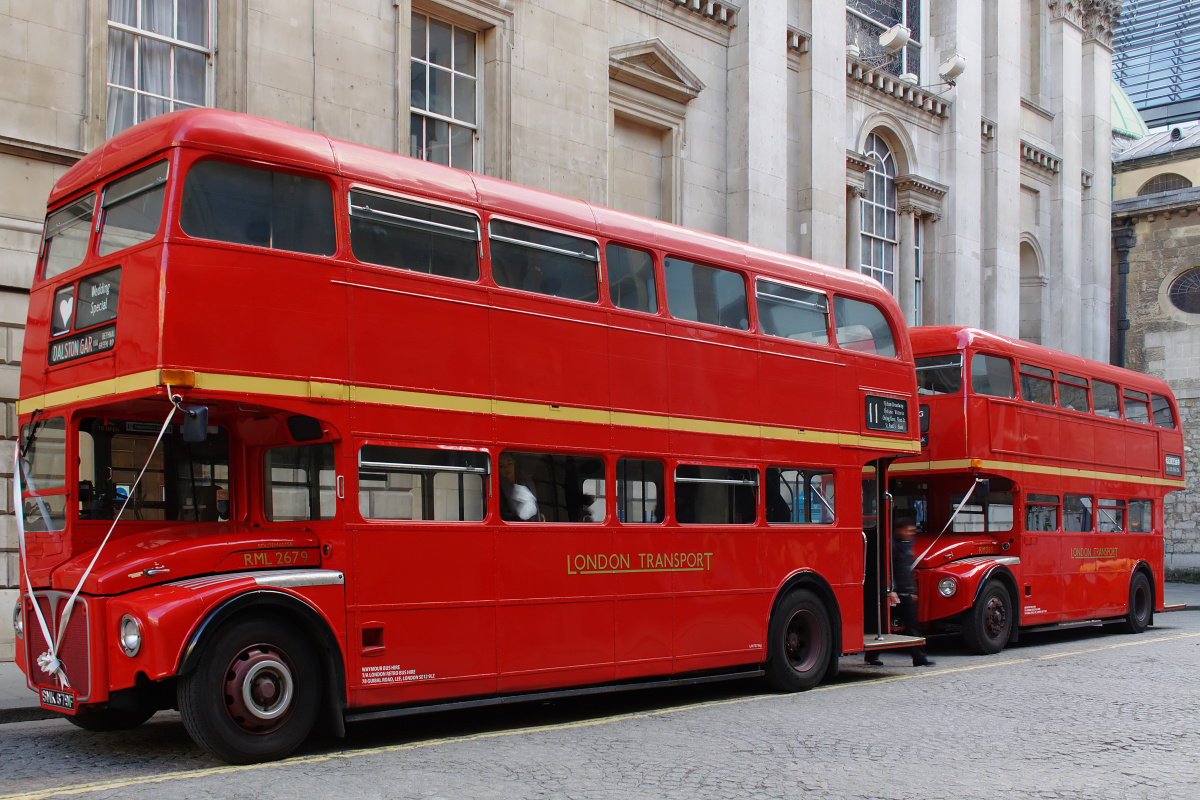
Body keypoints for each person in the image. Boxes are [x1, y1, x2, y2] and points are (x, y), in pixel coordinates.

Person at [865, 516, 935, 667]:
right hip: (898, 592)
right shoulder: (893, 545)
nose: (912, 534)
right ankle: (919, 658)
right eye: (909, 530)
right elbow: (888, 570)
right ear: (900, 530)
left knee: (902, 626)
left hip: (904, 591)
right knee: (907, 626)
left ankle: (873, 655)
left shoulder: (902, 544)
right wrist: (892, 590)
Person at [498, 452, 540, 521]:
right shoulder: (498, 488)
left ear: (514, 463)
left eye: (509, 463)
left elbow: (535, 504)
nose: (506, 468)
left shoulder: (527, 481)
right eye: (501, 466)